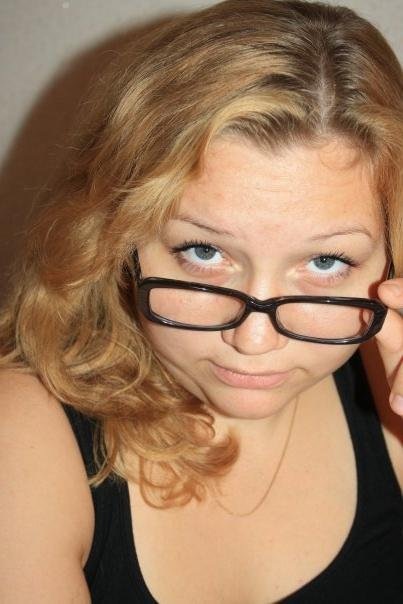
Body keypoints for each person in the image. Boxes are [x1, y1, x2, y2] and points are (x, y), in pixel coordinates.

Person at [0, 0, 402, 602]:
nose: (254, 339)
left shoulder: (389, 389)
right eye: (205, 252)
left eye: (325, 263)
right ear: (118, 234)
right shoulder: (21, 437)